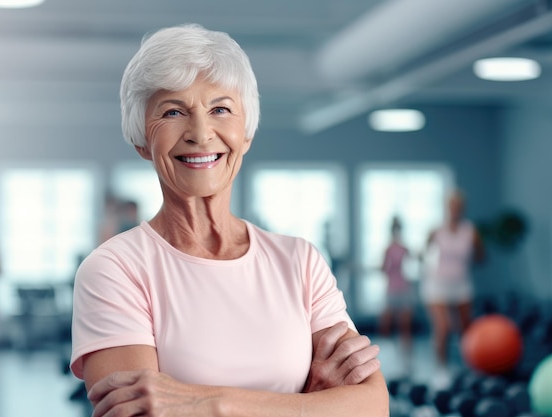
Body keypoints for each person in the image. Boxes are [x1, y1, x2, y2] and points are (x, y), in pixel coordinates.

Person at [70, 23, 388, 416]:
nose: (201, 134)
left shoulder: (300, 262)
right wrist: (311, 403)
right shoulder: (113, 270)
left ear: (246, 132)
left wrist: (209, 403)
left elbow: (372, 405)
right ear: (141, 139)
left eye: (220, 109)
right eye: (173, 111)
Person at [421, 189, 485, 384]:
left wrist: (474, 254)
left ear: (463, 208)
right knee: (443, 327)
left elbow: (481, 257)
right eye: (451, 206)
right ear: (446, 208)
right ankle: (441, 370)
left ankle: (469, 367)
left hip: (462, 285)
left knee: (466, 329)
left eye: (458, 206)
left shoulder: (471, 231)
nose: (455, 210)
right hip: (437, 285)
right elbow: (423, 255)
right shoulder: (435, 230)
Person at [378, 216, 414, 359]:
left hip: (404, 288)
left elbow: (412, 266)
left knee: (405, 325)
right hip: (392, 289)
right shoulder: (387, 249)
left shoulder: (405, 248)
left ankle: (406, 354)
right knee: (386, 324)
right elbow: (383, 268)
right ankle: (389, 350)